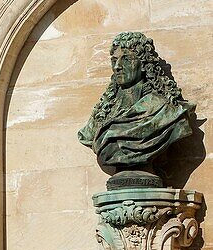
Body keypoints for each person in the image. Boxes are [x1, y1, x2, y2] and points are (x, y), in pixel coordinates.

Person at [78, 31, 192, 186]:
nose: (117, 66)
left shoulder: (166, 110)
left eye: (126, 59)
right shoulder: (100, 115)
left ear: (144, 64)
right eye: (114, 60)